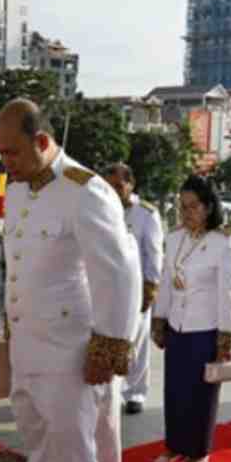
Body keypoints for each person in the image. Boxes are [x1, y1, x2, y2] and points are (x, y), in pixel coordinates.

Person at [0, 98, 141, 462]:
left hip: (72, 349)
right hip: (28, 343)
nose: (3, 162)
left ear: (43, 142)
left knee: (75, 453)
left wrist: (111, 346)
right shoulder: (23, 188)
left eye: (11, 152)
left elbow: (119, 274)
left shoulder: (86, 191)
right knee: (38, 445)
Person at [150, 175, 231, 462]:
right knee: (174, 389)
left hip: (206, 328)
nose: (186, 212)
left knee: (200, 393)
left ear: (208, 207)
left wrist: (226, 334)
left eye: (193, 207)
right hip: (177, 325)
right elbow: (166, 283)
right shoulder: (175, 238)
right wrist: (160, 319)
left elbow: (230, 292)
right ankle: (174, 445)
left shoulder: (224, 242)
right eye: (182, 206)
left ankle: (198, 451)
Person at [105, 163, 165, 416]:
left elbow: (154, 253)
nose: (115, 191)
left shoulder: (146, 213)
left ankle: (135, 393)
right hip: (106, 287)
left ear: (131, 184)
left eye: (119, 186)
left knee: (137, 344)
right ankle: (110, 390)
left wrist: (151, 288)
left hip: (137, 289)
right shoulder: (101, 207)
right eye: (110, 186)